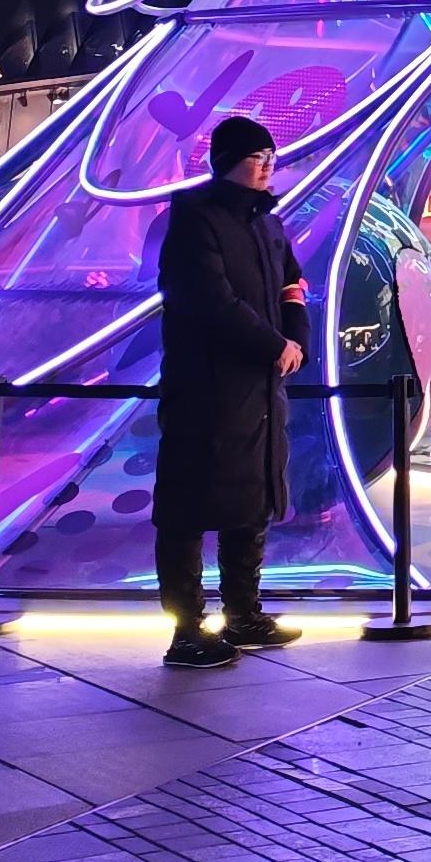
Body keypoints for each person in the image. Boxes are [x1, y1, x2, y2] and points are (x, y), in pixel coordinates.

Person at [152, 112, 308, 670]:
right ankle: (187, 628)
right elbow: (208, 299)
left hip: (262, 387)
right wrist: (274, 345)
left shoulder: (268, 222)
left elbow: (294, 284)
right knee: (189, 505)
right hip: (206, 385)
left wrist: (295, 342)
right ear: (226, 161)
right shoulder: (197, 218)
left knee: (253, 498)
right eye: (256, 157)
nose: (267, 166)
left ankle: (244, 613)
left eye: (271, 157)